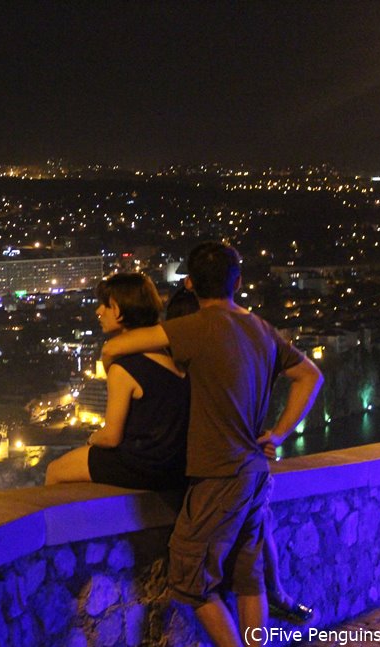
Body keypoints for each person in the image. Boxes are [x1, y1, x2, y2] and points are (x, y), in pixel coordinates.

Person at [101, 242, 323, 647]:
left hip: (218, 476)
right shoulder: (261, 329)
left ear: (190, 284)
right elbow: (311, 376)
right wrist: (279, 432)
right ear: (237, 281)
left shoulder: (194, 328)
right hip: (256, 475)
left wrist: (108, 359)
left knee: (188, 579)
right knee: (249, 577)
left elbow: (118, 346)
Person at [45, 272, 188, 490]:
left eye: (105, 305)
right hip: (174, 465)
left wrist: (92, 438)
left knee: (55, 471)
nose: (99, 312)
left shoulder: (124, 368)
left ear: (120, 309)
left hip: (143, 465)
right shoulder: (170, 356)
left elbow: (111, 437)